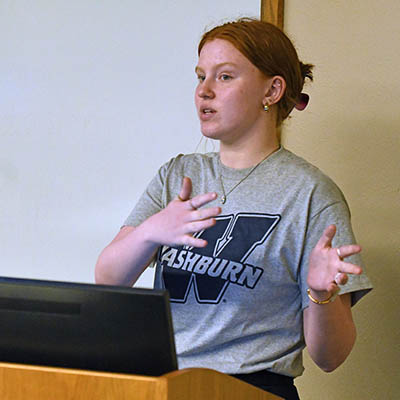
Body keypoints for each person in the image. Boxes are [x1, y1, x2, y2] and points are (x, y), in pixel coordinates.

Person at [95, 18, 372, 400]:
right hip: (164, 384)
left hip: (253, 389)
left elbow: (330, 357)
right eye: (200, 76)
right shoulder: (177, 174)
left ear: (272, 90)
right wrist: (149, 232)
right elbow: (108, 280)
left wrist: (318, 293)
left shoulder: (312, 194)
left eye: (224, 77)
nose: (204, 91)